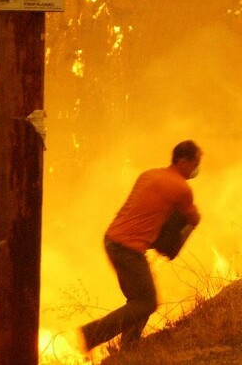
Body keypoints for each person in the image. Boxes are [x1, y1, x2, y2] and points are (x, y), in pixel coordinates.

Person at [79, 140, 202, 352]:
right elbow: (192, 217)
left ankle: (128, 348)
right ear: (183, 161)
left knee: (137, 300)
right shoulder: (181, 188)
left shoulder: (149, 174)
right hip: (128, 248)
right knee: (146, 302)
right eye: (195, 163)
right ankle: (90, 335)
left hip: (112, 239)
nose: (197, 168)